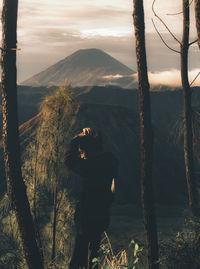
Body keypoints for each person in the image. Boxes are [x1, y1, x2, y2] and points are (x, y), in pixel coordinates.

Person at [65, 128, 118, 269]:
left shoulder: (88, 166)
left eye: (81, 152)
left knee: (79, 255)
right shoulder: (110, 160)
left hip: (86, 215)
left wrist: (77, 138)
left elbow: (68, 160)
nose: (81, 155)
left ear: (86, 151)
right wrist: (92, 139)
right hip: (102, 214)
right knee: (93, 253)